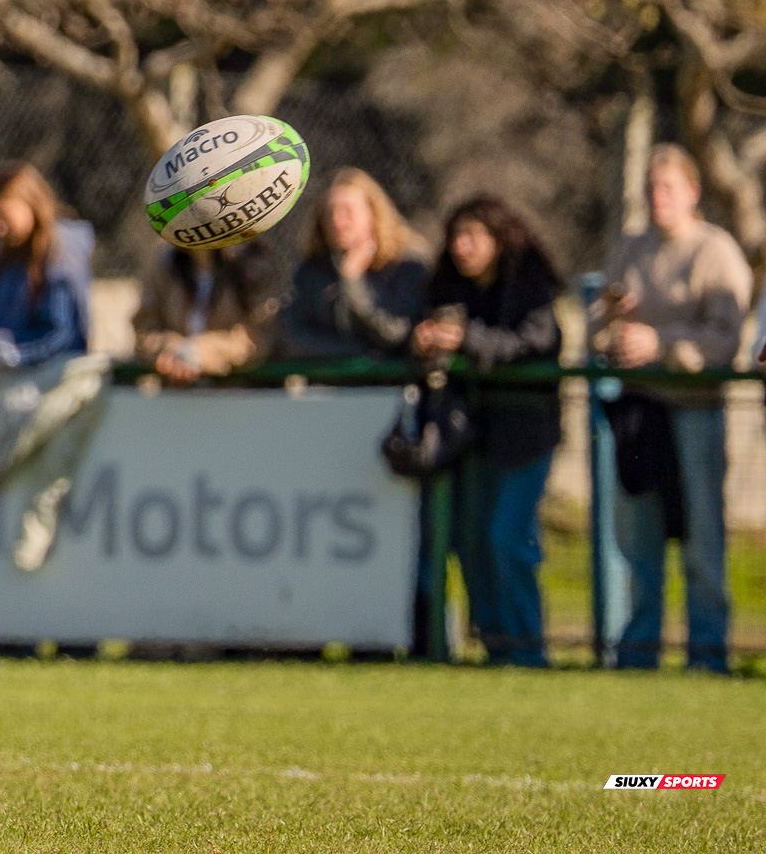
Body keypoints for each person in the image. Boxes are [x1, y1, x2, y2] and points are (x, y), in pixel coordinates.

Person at [593, 144, 749, 672]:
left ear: (693, 192)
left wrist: (661, 344)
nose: (657, 197)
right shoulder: (632, 248)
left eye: (667, 187)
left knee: (703, 536)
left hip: (694, 411)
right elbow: (595, 325)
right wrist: (614, 330)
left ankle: (708, 652)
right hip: (640, 413)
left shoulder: (715, 251)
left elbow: (726, 339)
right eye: (650, 187)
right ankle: (637, 652)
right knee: (639, 540)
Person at [411, 197, 562, 668]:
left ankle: (528, 650)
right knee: (471, 543)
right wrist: (425, 341)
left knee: (507, 539)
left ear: (499, 239)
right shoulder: (448, 289)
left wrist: (467, 340)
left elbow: (538, 342)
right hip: (473, 437)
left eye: (473, 236)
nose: (462, 246)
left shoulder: (530, 288)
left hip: (526, 435)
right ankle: (497, 647)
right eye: (457, 236)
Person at [0, 162, 105, 573]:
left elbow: (64, 335)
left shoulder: (61, 249)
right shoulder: (14, 256)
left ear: (30, 204)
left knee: (47, 481)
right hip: (17, 387)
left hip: (55, 387)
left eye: (2, 215)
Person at [280, 167, 428, 360]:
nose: (337, 220)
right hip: (332, 376)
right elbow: (295, 332)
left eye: (347, 210)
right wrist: (353, 353)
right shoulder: (312, 270)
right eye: (329, 212)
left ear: (373, 212)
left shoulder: (407, 265)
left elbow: (395, 333)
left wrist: (352, 281)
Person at [132, 243, 277, 383]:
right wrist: (171, 348)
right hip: (176, 394)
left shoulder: (250, 263)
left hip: (235, 392)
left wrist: (199, 352)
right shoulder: (164, 262)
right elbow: (144, 328)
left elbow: (258, 338)